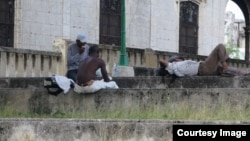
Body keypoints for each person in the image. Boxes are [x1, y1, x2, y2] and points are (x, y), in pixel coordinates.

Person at [159, 43, 249, 77]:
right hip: (203, 68)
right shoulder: (174, 66)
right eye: (177, 59)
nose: (180, 59)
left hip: (204, 69)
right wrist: (168, 63)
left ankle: (245, 73)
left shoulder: (178, 67)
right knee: (220, 47)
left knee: (234, 70)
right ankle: (224, 66)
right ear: (174, 61)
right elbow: (161, 61)